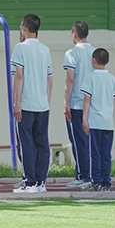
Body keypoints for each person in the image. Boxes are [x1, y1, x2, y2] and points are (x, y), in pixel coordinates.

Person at [11, 14, 53, 194]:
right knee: (42, 144)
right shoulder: (45, 49)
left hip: (26, 104)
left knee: (26, 144)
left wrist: (17, 103)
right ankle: (41, 182)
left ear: (24, 28)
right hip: (42, 104)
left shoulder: (19, 48)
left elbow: (19, 77)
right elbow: (49, 79)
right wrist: (48, 102)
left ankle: (29, 182)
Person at [80, 48, 115, 192]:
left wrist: (85, 119)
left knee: (94, 153)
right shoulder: (112, 78)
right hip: (108, 122)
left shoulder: (90, 78)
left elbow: (87, 99)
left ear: (93, 61)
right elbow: (113, 101)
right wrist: (111, 119)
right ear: (108, 61)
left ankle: (96, 180)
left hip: (95, 121)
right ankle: (106, 182)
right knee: (106, 154)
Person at [63, 20, 95, 187]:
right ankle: (94, 173)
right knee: (92, 140)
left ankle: (83, 174)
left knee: (78, 140)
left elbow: (70, 79)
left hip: (77, 103)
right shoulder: (96, 52)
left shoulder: (71, 53)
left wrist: (66, 102)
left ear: (74, 34)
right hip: (94, 104)